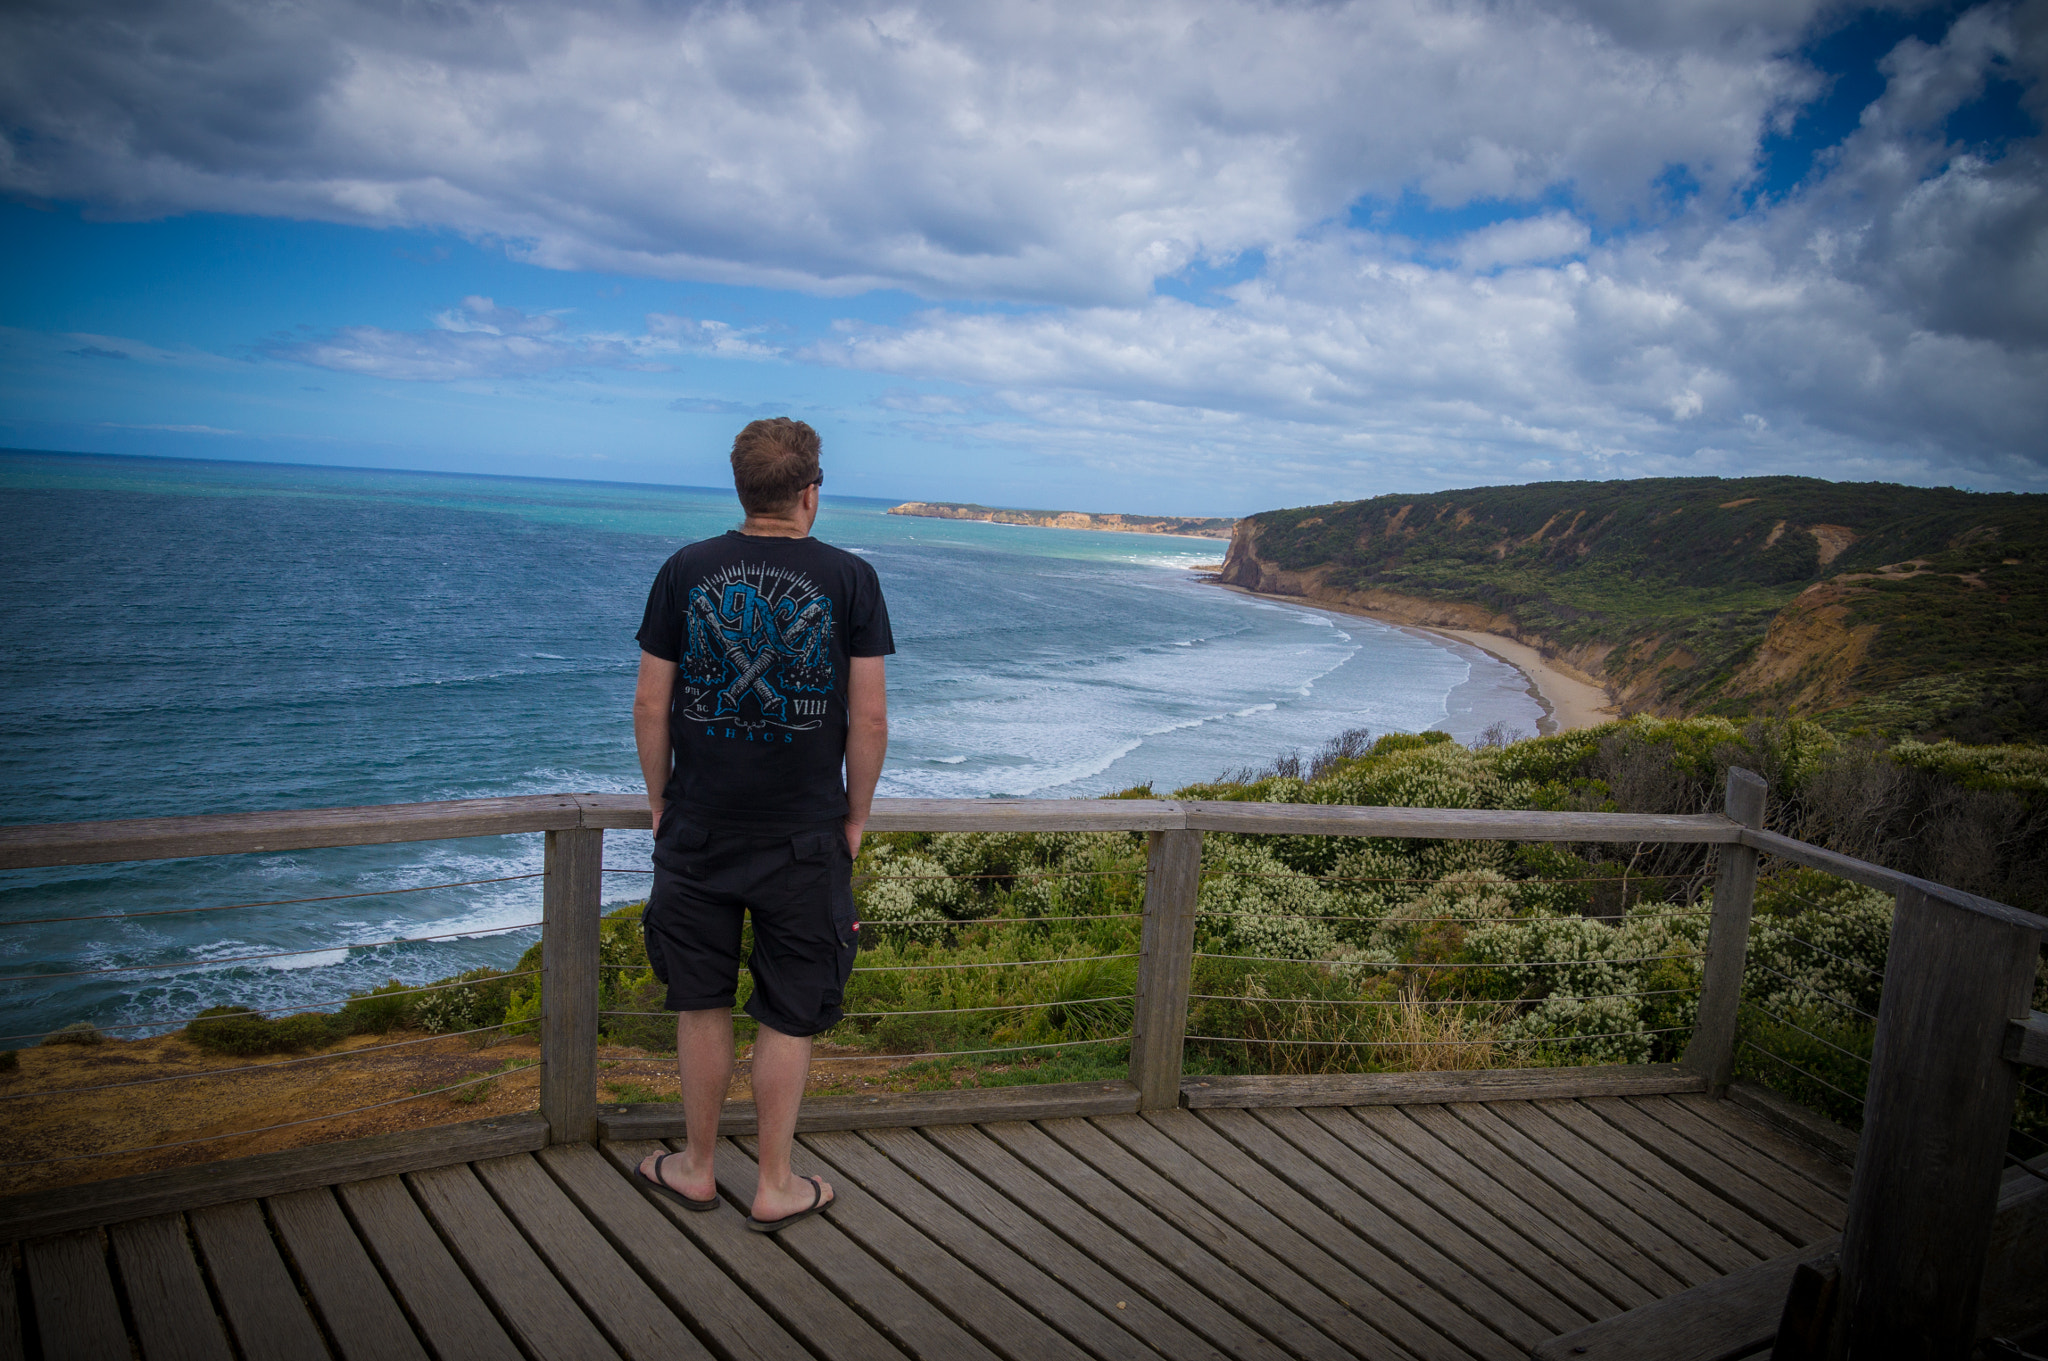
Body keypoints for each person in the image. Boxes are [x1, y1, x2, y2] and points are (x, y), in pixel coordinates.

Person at [630, 417, 892, 1233]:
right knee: (788, 1008)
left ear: (741, 487)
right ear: (812, 491)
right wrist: (854, 818)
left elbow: (649, 702)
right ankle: (775, 1181)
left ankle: (698, 1168)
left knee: (701, 999)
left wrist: (658, 802)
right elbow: (870, 720)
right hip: (806, 835)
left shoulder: (686, 570)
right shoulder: (851, 578)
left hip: (699, 828)